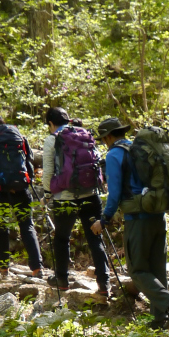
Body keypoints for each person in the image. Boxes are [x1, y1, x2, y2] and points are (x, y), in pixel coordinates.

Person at [90, 116, 169, 329]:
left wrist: (104, 219)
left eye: (104, 138)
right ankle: (160, 320)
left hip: (137, 219)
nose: (104, 142)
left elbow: (114, 192)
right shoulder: (141, 149)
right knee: (157, 269)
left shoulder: (115, 154)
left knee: (138, 270)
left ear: (109, 136)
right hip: (158, 214)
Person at [41, 107, 111, 299]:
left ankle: (62, 280)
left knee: (62, 238)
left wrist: (47, 195)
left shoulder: (52, 139)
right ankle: (104, 283)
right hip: (90, 195)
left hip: (64, 199)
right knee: (95, 237)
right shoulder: (84, 134)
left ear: (51, 123)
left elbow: (48, 173)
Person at [0, 112, 43, 277]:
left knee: (1, 227)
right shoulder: (19, 137)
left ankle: (4, 268)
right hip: (21, 187)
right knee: (27, 226)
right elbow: (29, 161)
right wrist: (29, 181)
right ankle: (37, 268)